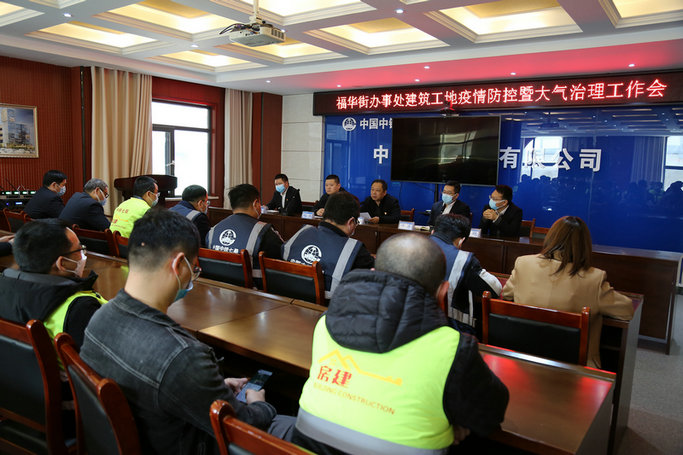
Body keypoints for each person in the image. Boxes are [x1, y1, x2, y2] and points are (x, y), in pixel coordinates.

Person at [80, 210, 294, 455]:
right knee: (294, 429)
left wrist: (209, 386)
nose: (193, 275)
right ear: (179, 265)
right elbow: (242, 424)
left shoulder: (99, 316)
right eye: (194, 268)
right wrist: (260, 404)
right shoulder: (183, 356)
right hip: (191, 445)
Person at [292, 233, 509, 454]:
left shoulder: (326, 322)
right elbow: (490, 416)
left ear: (373, 273)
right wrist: (450, 424)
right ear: (443, 291)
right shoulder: (453, 348)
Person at [502, 216, 634, 368]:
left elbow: (507, 294)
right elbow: (627, 310)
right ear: (584, 245)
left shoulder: (523, 263)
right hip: (574, 368)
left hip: (523, 358)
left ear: (550, 237)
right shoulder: (594, 278)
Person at [0, 219, 106, 346]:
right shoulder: (81, 309)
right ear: (62, 263)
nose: (83, 254)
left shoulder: (5, 289)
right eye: (79, 250)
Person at [281, 192, 374, 299]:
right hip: (328, 307)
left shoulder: (300, 234)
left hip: (286, 303)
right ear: (351, 222)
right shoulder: (354, 250)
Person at [430, 214, 502, 336]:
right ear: (461, 241)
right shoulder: (464, 260)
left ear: (432, 232)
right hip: (450, 329)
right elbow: (495, 289)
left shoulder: (409, 247)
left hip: (409, 322)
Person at [206, 184, 283, 281]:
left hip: (216, 285)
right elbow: (281, 257)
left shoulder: (213, 230)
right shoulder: (263, 231)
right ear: (256, 203)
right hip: (252, 288)